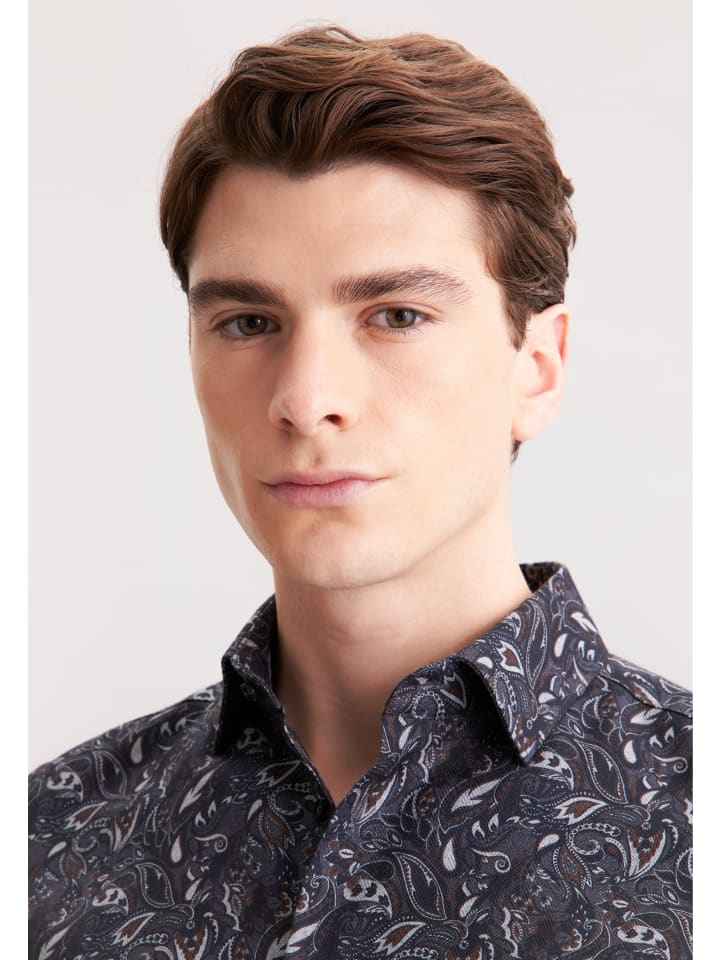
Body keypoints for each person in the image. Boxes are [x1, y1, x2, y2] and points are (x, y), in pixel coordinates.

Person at [28, 25, 692, 960]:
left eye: (397, 315)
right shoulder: (51, 840)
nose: (306, 400)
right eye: (248, 322)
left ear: (537, 368)